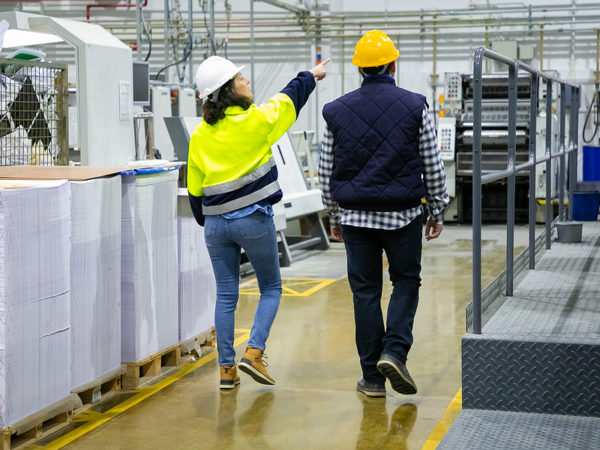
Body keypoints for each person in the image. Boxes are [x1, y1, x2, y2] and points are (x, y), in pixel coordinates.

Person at [319, 30, 449, 397]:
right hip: (404, 214)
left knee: (365, 292)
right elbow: (432, 163)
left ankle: (372, 379)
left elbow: (325, 169)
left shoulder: (335, 111)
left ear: (359, 69)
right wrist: (437, 209)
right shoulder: (415, 105)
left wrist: (333, 217)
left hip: (356, 217)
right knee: (405, 281)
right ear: (393, 64)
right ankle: (394, 352)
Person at [188, 55, 330, 390]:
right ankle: (253, 352)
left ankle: (226, 371)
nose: (247, 81)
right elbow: (288, 98)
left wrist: (207, 222)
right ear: (228, 90)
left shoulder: (199, 134)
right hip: (253, 219)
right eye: (241, 78)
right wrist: (310, 74)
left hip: (215, 226)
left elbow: (195, 189)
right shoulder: (258, 120)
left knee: (226, 296)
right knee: (271, 287)